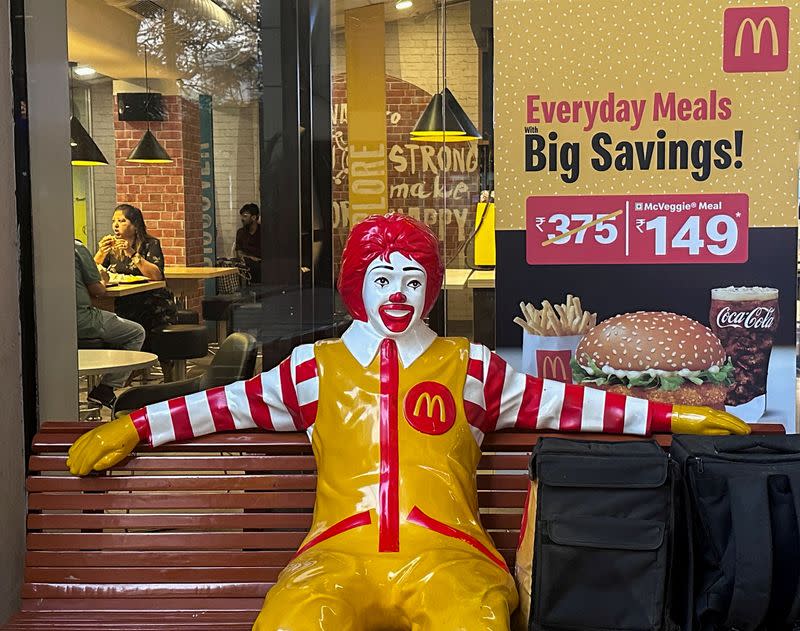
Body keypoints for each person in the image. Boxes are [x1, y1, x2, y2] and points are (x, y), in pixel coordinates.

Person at [67, 214, 749, 631]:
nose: (398, 293)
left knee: (473, 621)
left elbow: (571, 404)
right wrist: (135, 427)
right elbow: (221, 404)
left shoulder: (471, 367)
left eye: (413, 280)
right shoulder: (312, 369)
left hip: (449, 556)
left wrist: (673, 414)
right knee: (295, 621)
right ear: (358, 287)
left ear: (429, 290)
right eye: (384, 278)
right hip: (335, 557)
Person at [94, 204, 177, 352]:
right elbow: (93, 271)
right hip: (120, 299)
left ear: (135, 225)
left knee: (138, 316)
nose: (116, 225)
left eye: (122, 221)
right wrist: (101, 253)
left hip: (150, 300)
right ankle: (126, 362)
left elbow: (157, 276)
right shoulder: (111, 247)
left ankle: (154, 361)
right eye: (114, 221)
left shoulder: (150, 243)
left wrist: (131, 253)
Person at [75, 238, 146, 408]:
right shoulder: (77, 248)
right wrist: (104, 280)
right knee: (136, 332)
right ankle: (106, 388)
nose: (116, 226)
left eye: (121, 223)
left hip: (51, 323)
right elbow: (98, 289)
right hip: (82, 320)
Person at [234, 202, 261, 283]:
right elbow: (239, 254)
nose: (242, 219)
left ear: (254, 217)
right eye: (242, 216)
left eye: (245, 216)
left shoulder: (263, 231)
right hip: (247, 268)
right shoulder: (241, 232)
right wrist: (251, 258)